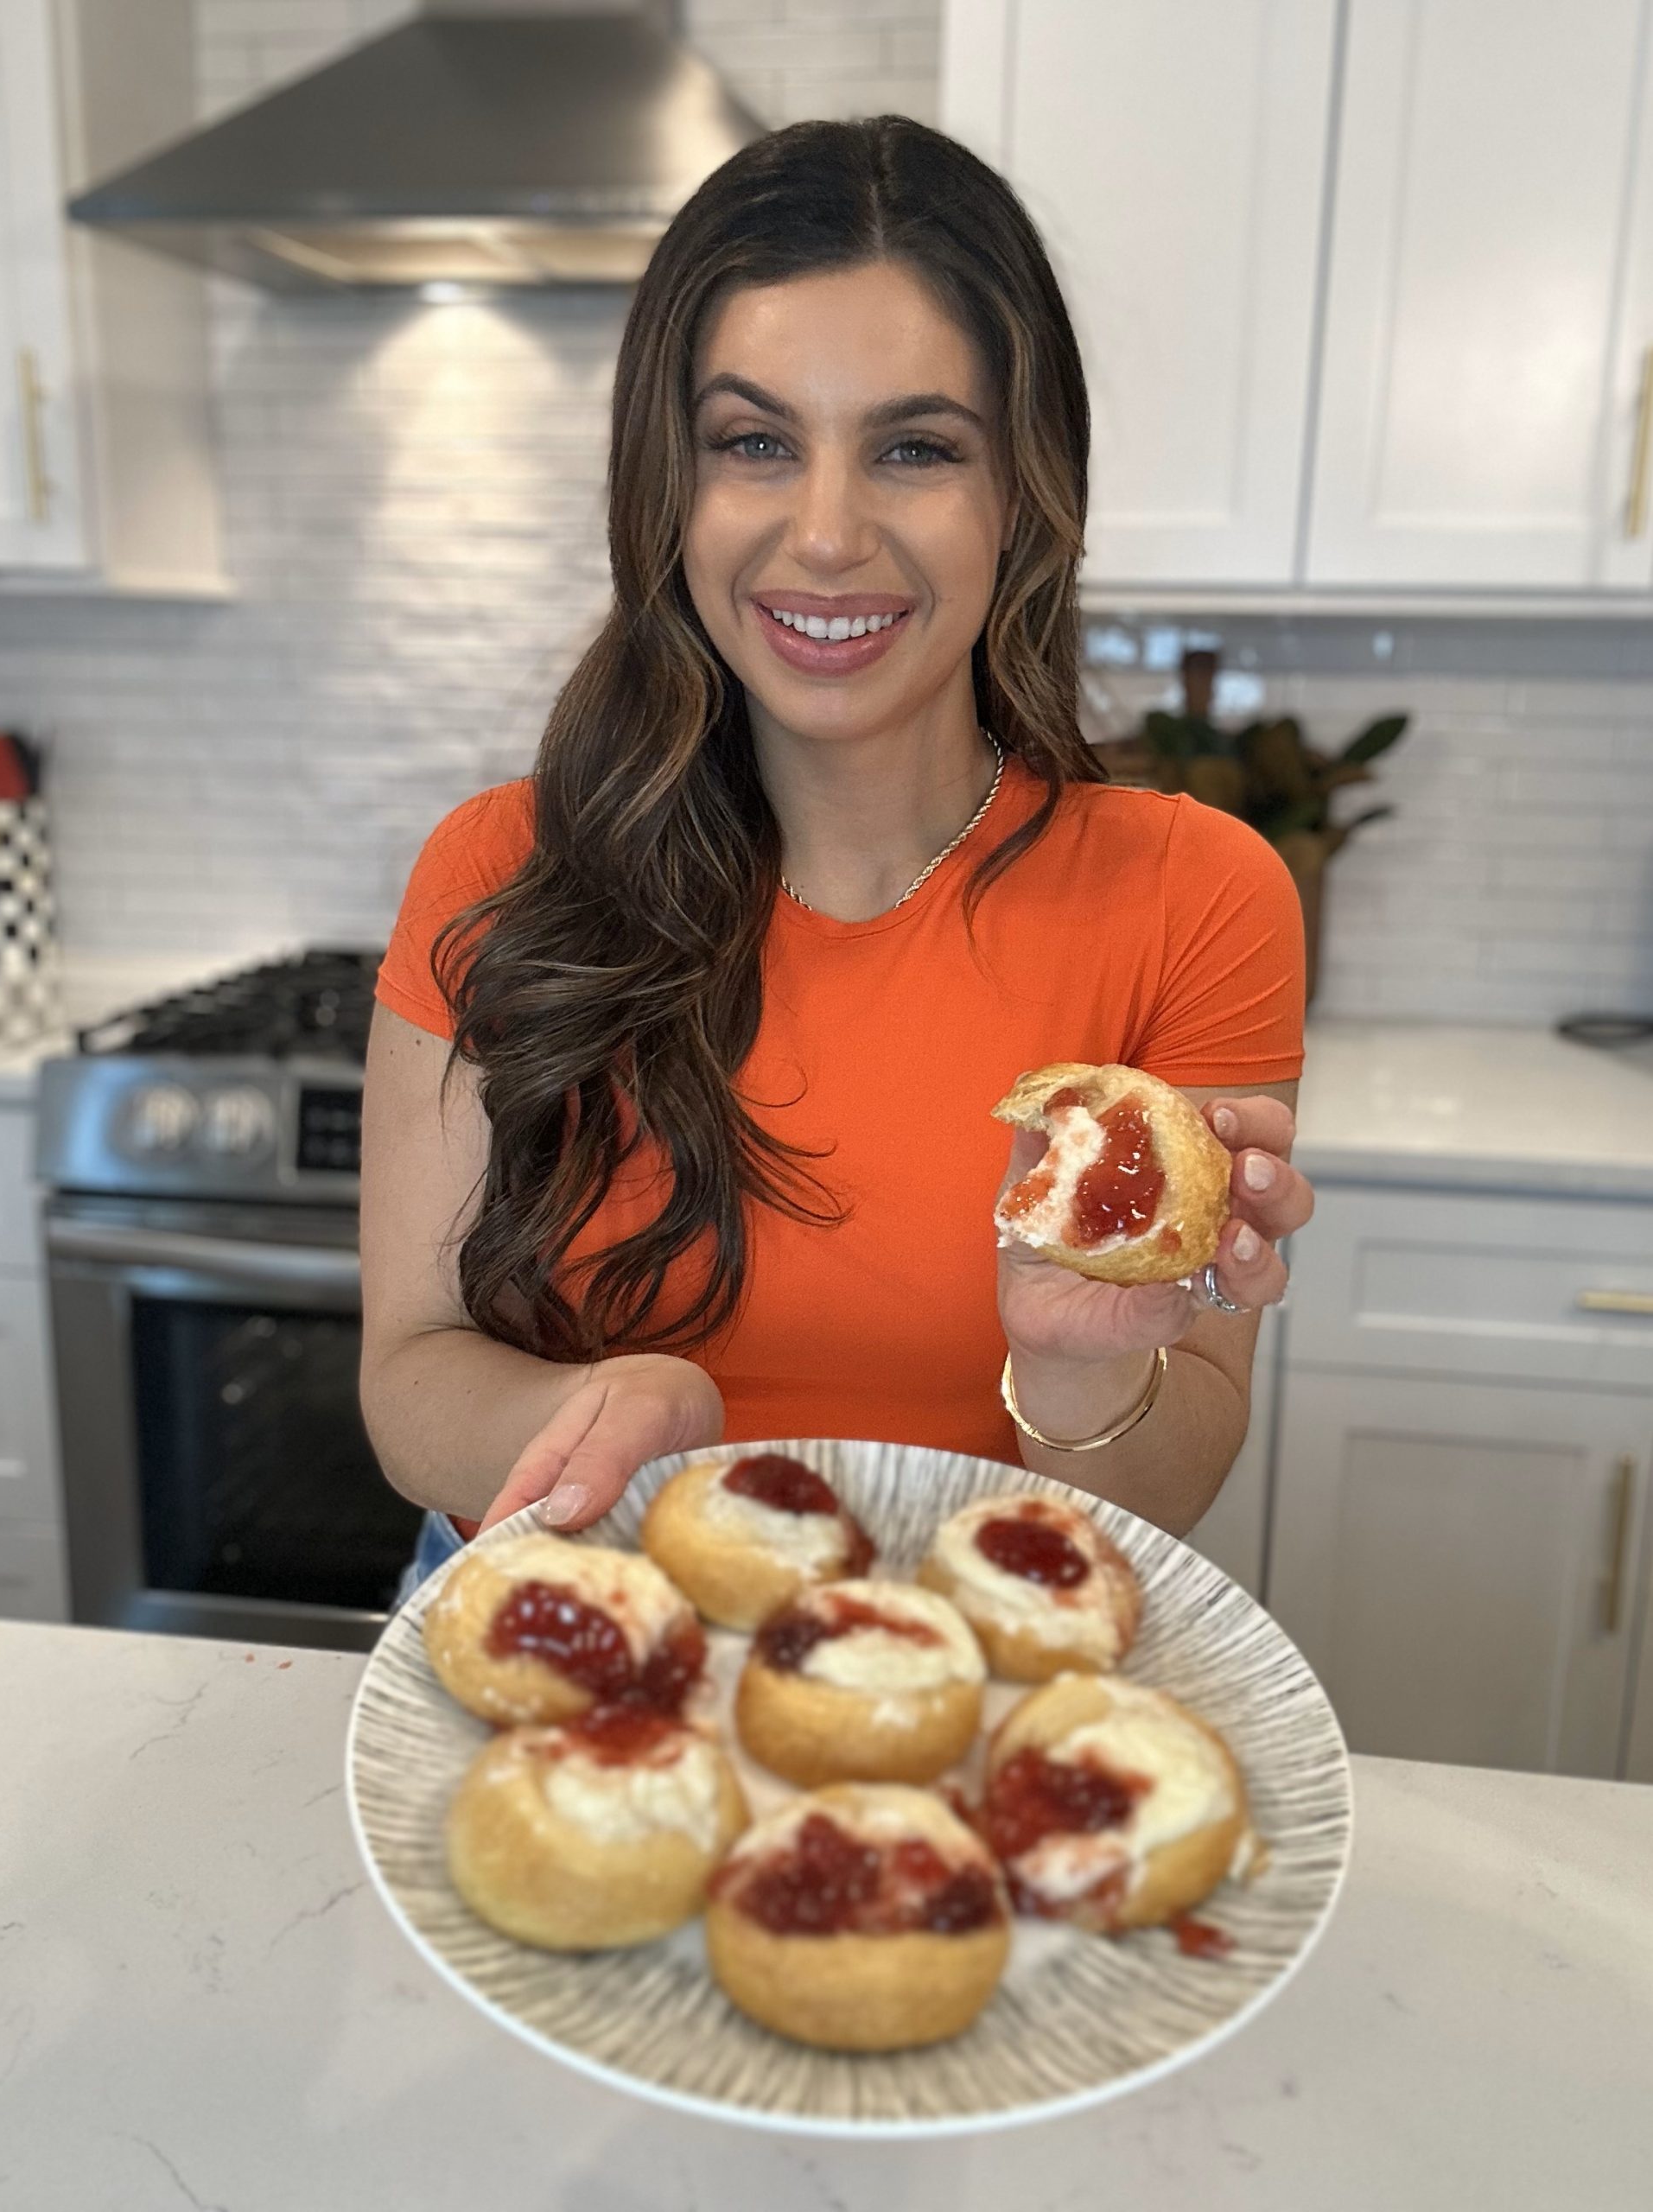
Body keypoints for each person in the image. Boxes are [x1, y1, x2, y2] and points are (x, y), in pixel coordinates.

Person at [360, 116, 1313, 1598]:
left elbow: (1165, 1487)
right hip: (573, 1622)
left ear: (1024, 493)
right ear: (667, 486)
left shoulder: (1197, 897)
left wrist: (1071, 1376)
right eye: (754, 443)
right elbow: (407, 1374)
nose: (822, 533)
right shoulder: (498, 866)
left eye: (915, 448)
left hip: (952, 1649)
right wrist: (588, 1415)